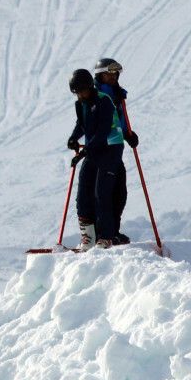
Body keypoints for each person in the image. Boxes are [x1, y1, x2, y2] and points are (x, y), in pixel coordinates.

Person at [67, 68, 131, 248]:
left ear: (89, 86)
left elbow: (103, 132)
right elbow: (82, 124)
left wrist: (83, 153)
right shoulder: (80, 103)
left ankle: (106, 237)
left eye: (82, 91)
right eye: (77, 92)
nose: (80, 95)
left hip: (111, 148)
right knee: (83, 192)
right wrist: (73, 138)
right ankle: (88, 237)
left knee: (102, 192)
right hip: (93, 148)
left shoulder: (104, 101)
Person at [92, 57, 135, 239]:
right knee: (104, 194)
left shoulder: (117, 95)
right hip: (102, 150)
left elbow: (119, 120)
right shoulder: (97, 95)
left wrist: (128, 134)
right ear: (100, 76)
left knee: (119, 193)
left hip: (116, 149)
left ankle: (112, 233)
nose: (113, 77)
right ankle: (103, 235)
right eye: (109, 74)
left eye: (115, 74)